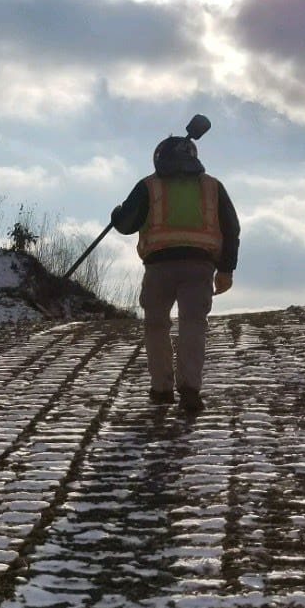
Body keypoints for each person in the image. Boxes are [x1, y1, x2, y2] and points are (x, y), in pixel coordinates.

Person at [109, 127, 241, 413]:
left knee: (156, 326)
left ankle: (161, 389)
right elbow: (231, 229)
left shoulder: (148, 185)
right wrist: (226, 269)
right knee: (193, 325)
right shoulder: (212, 186)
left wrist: (117, 213)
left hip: (158, 268)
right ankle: (190, 389)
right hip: (199, 266)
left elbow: (126, 224)